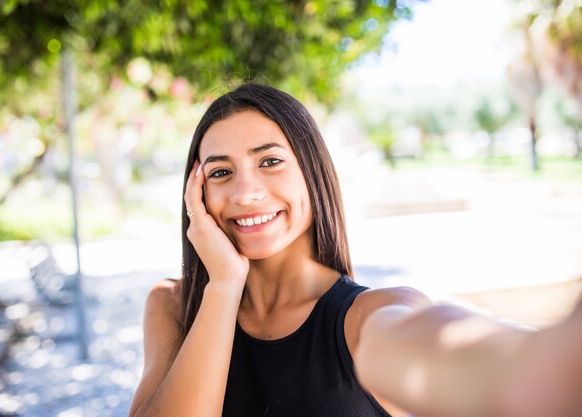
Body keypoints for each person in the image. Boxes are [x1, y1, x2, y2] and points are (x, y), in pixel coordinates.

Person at [128, 83, 582, 417]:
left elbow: (450, 353)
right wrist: (224, 285)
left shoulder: (370, 315)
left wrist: (542, 366)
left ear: (313, 171)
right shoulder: (172, 306)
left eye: (270, 161)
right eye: (221, 172)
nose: (246, 192)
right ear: (196, 193)